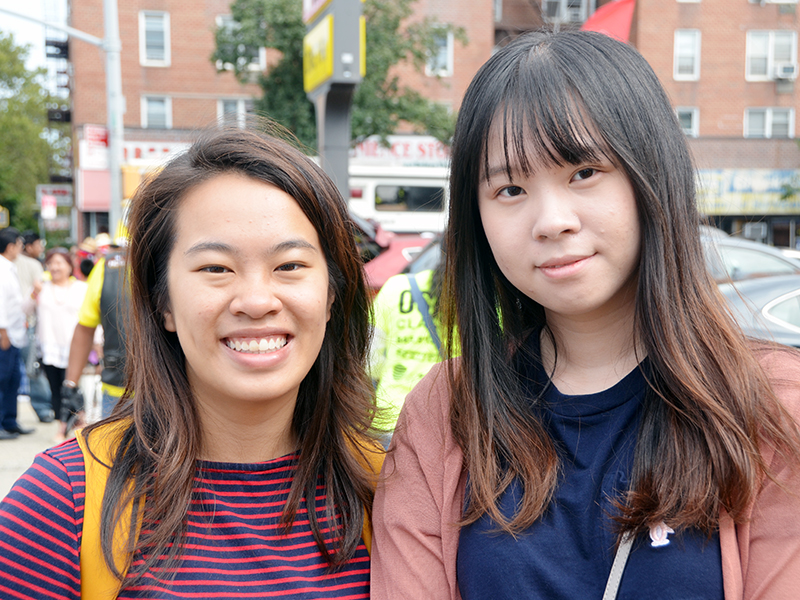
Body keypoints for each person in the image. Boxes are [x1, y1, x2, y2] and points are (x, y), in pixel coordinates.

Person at [371, 31, 800, 599]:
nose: (551, 220)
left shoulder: (772, 406)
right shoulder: (444, 413)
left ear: (652, 178)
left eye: (583, 173)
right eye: (510, 189)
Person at [0, 124, 381, 598]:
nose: (257, 300)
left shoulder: (389, 489)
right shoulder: (63, 501)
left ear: (330, 295)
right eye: (215, 269)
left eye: (290, 266)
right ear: (163, 303)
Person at [369, 260, 445, 435]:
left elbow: (370, 359)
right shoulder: (480, 295)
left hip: (391, 418)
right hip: (448, 425)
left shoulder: (395, 287)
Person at [62, 239, 129, 420]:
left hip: (170, 389)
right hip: (118, 388)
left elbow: (85, 329)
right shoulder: (106, 268)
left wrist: (71, 386)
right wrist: (70, 386)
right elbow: (85, 328)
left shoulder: (108, 267)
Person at [30, 247, 88, 442]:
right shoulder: (43, 289)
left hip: (74, 348)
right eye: (51, 263)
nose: (55, 267)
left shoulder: (81, 288)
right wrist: (33, 294)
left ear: (69, 266)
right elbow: (26, 310)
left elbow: (89, 319)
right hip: (49, 348)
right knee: (56, 388)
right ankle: (78, 421)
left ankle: (64, 428)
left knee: (70, 387)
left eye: (59, 263)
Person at [14, 230, 53, 423]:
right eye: (39, 244)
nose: (41, 248)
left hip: (19, 322)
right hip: (29, 322)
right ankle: (44, 407)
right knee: (33, 366)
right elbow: (41, 293)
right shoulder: (34, 265)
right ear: (28, 247)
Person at [0, 227, 35, 439]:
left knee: (13, 378)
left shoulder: (9, 267)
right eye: (20, 245)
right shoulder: (1, 270)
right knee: (2, 379)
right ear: (11, 246)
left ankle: (10, 421)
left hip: (13, 333)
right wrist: (2, 331)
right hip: (5, 334)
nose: (21, 249)